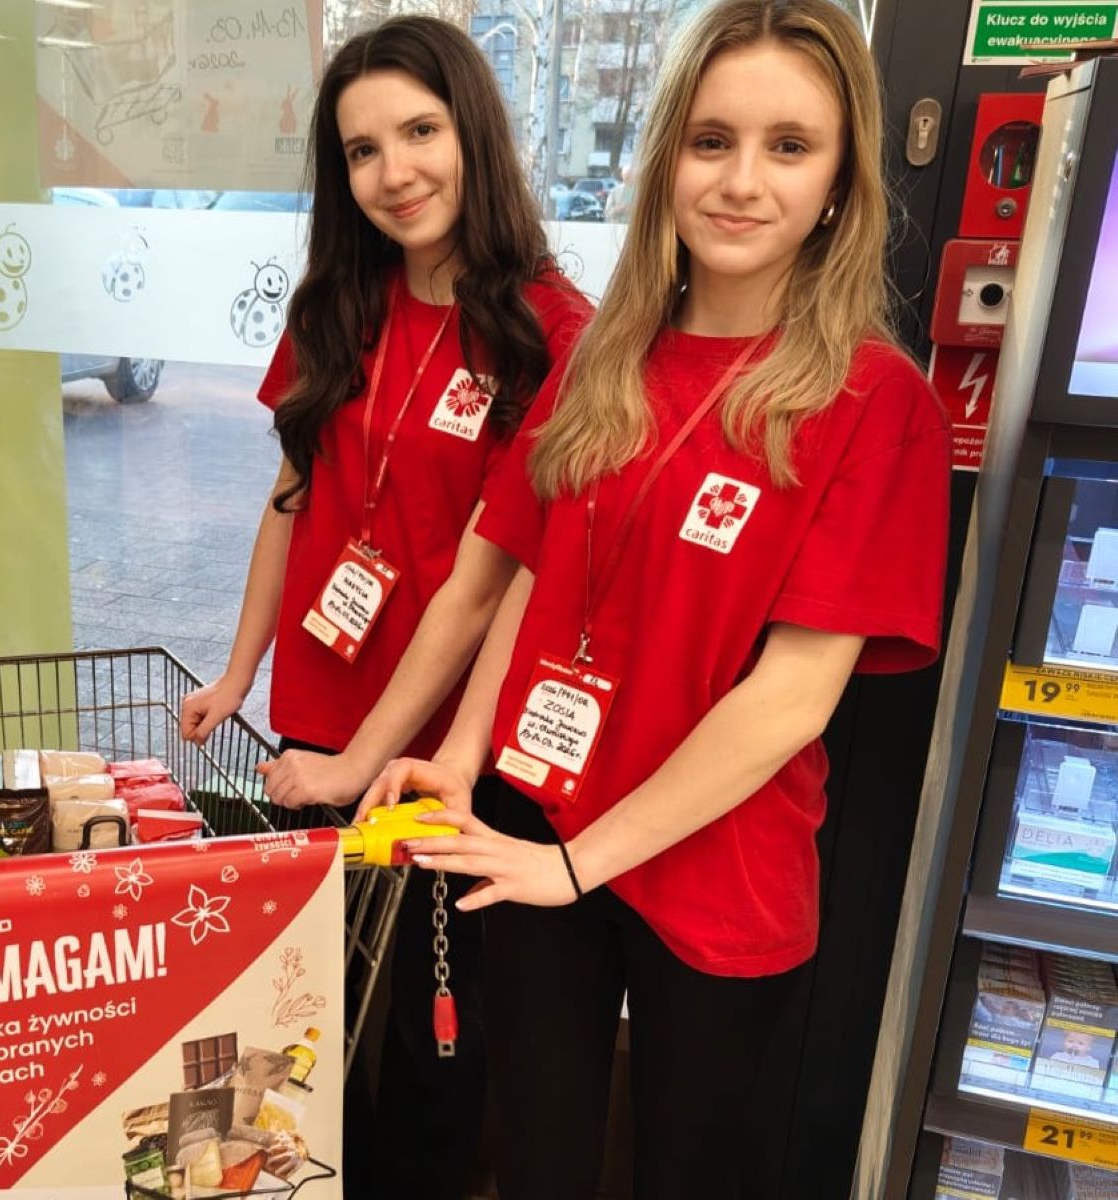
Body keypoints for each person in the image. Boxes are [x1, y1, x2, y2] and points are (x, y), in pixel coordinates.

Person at [353, 2, 952, 1196]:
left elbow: (792, 696)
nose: (740, 181)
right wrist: (462, 758)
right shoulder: (601, 354)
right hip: (534, 826)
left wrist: (582, 864)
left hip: (717, 870)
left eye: (789, 146)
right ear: (666, 156)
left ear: (840, 183)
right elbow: (534, 573)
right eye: (710, 141)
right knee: (537, 1164)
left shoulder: (873, 402)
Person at [178, 15, 592, 1197]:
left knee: (426, 1037)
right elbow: (290, 495)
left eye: (420, 132)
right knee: (299, 1015)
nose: (394, 172)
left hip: (439, 757)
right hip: (320, 722)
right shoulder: (337, 304)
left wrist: (365, 761)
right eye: (362, 150)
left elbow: (484, 583)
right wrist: (239, 669)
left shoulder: (551, 332)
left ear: (475, 136)